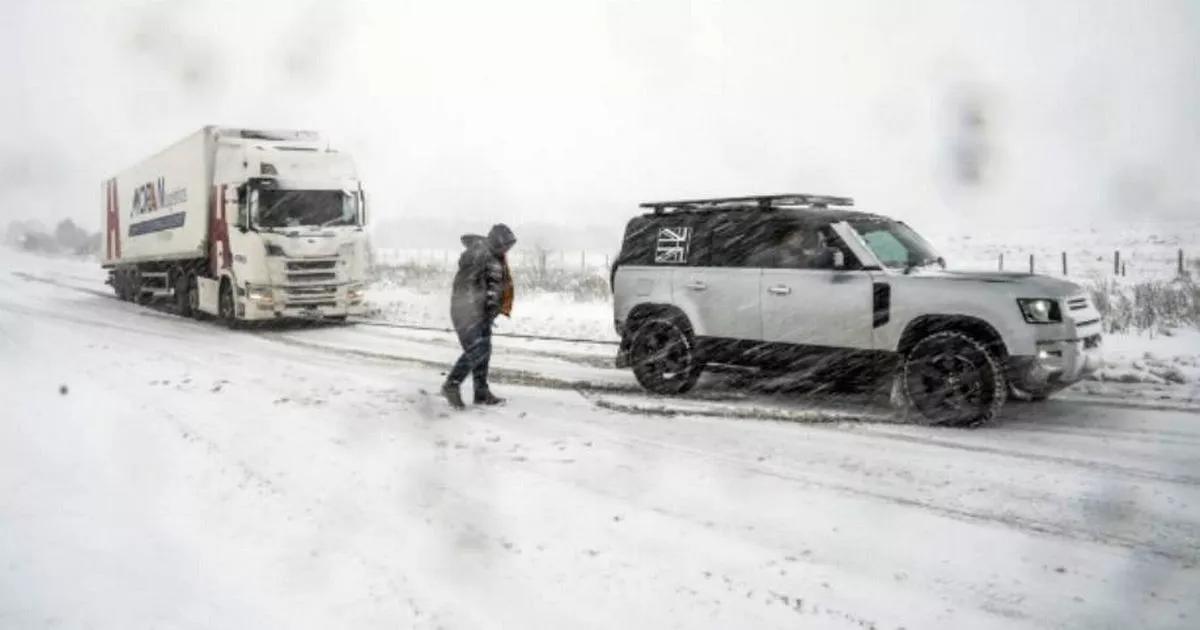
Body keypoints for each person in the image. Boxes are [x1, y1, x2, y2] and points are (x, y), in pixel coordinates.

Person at [442, 223, 517, 409]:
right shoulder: (479, 255)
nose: (508, 249)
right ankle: (451, 385)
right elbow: (466, 286)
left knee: (484, 351)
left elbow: (493, 285)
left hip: (481, 313)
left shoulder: (494, 256)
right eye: (506, 244)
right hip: (467, 311)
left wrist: (492, 308)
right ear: (498, 241)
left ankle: (481, 392)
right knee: (476, 350)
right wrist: (474, 311)